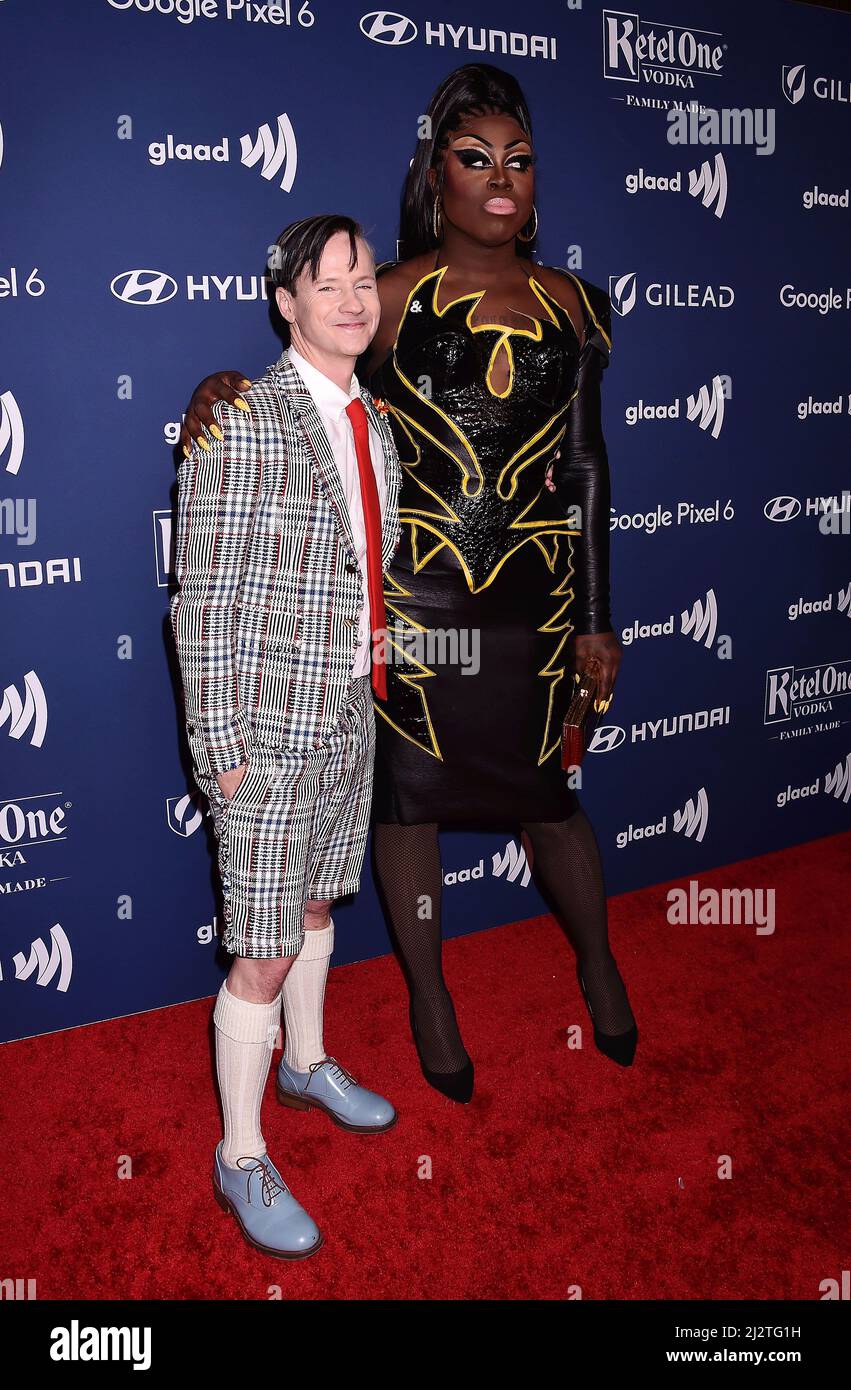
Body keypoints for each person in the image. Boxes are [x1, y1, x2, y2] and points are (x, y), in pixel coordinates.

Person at [180, 64, 637, 1108]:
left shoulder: (575, 304)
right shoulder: (384, 295)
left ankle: (599, 966)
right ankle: (429, 1000)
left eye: (517, 162)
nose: (499, 179)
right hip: (412, 604)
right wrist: (220, 391)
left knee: (550, 800)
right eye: (474, 160)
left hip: (538, 601)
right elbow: (311, 384)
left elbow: (586, 466)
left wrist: (599, 619)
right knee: (407, 806)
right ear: (436, 175)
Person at [170, 214, 401, 1259]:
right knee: (259, 954)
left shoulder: (374, 420)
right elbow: (202, 603)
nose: (355, 299)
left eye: (365, 281)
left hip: (351, 709)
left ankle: (307, 1063)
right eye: (331, 283)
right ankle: (239, 1150)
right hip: (264, 734)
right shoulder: (244, 422)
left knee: (316, 903)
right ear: (287, 303)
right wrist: (221, 749)